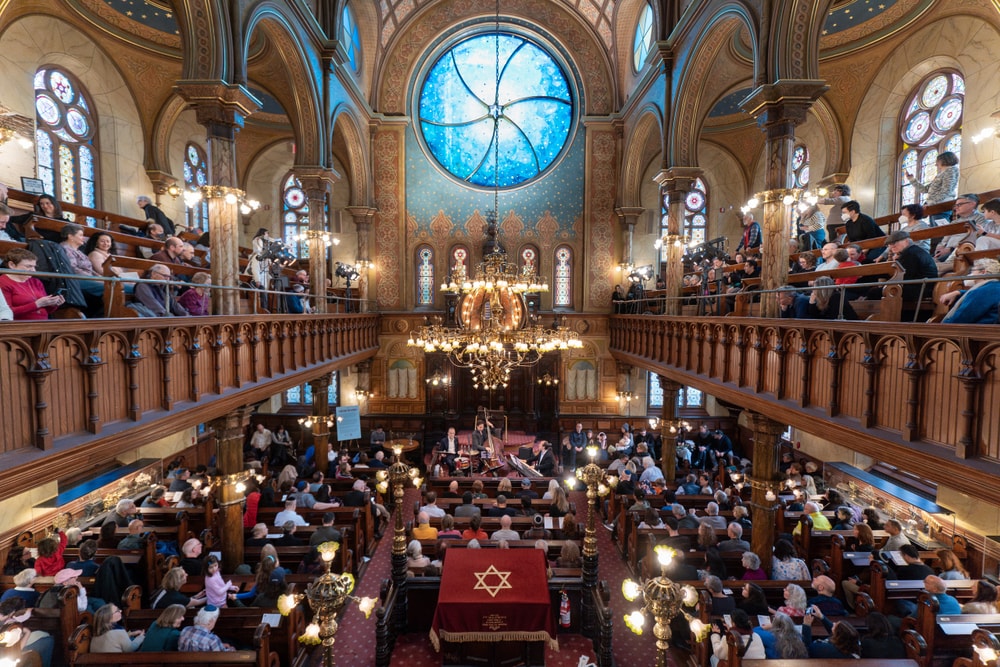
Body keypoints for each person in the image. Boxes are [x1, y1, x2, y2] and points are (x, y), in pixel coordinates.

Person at [0, 248, 65, 320]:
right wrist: (37, 304)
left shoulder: (36, 282)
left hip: (43, 324)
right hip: (19, 326)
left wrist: (53, 304)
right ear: (12, 265)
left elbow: (45, 311)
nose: (34, 270)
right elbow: (5, 313)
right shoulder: (3, 282)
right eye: (28, 266)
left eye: (34, 266)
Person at [940, 258, 1000, 324]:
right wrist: (958, 292)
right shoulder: (994, 286)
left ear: (983, 272)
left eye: (972, 271)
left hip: (978, 332)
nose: (970, 275)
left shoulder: (981, 292)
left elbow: (958, 320)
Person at [906, 151, 959, 221]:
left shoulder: (951, 171)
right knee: (936, 228)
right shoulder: (941, 174)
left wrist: (931, 203)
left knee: (940, 229)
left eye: (937, 161)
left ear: (944, 160)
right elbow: (924, 189)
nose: (936, 164)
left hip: (941, 205)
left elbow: (946, 190)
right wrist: (912, 179)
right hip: (934, 205)